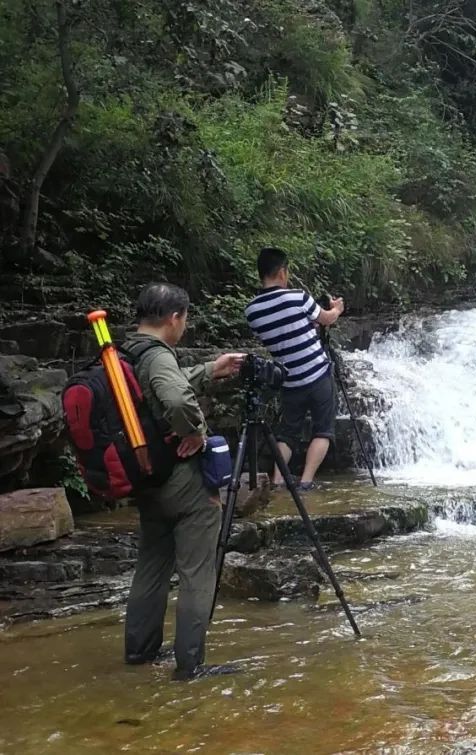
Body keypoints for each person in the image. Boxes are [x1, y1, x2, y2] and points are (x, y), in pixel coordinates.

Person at [121, 283, 246, 681]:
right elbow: (174, 400)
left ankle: (139, 653)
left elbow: (158, 392)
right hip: (181, 483)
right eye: (185, 319)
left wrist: (210, 370)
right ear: (175, 317)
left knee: (153, 564)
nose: (185, 326)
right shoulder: (159, 356)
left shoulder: (126, 352)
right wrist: (195, 432)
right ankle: (190, 664)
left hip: (147, 475)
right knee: (197, 571)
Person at [245, 247, 345, 490]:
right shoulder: (298, 297)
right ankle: (306, 482)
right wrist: (337, 309)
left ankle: (278, 482)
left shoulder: (251, 311)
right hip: (318, 374)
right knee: (323, 430)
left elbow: (280, 332)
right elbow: (327, 318)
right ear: (281, 272)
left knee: (288, 433)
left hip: (289, 380)